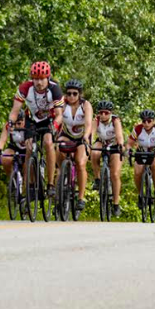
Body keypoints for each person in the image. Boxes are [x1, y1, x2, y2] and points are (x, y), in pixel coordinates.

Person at [7, 61, 64, 199]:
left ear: (48, 78)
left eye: (42, 78)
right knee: (28, 149)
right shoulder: (25, 88)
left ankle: (50, 184)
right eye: (36, 78)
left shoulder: (54, 89)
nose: (39, 82)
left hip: (50, 120)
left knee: (48, 142)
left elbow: (59, 115)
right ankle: (30, 185)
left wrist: (55, 125)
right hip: (32, 120)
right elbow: (15, 111)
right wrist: (10, 122)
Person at [57, 79, 93, 212]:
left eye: (75, 94)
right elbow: (56, 117)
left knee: (80, 163)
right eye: (69, 93)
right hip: (66, 134)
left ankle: (81, 198)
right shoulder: (62, 104)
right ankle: (61, 181)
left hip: (82, 137)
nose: (71, 96)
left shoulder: (85, 105)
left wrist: (85, 137)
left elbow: (89, 124)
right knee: (57, 147)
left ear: (79, 94)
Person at [90, 100, 125, 217]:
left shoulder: (116, 120)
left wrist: (120, 145)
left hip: (114, 144)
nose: (103, 115)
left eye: (106, 113)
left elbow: (119, 135)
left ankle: (116, 204)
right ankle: (97, 179)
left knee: (115, 174)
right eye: (101, 113)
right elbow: (92, 134)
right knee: (94, 152)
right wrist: (88, 143)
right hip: (101, 142)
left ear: (110, 113)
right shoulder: (96, 120)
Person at [127, 109, 155, 207]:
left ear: (153, 121)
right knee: (137, 173)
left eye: (149, 121)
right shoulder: (137, 129)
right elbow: (129, 144)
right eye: (144, 121)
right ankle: (140, 194)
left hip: (154, 152)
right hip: (141, 151)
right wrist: (129, 150)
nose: (146, 123)